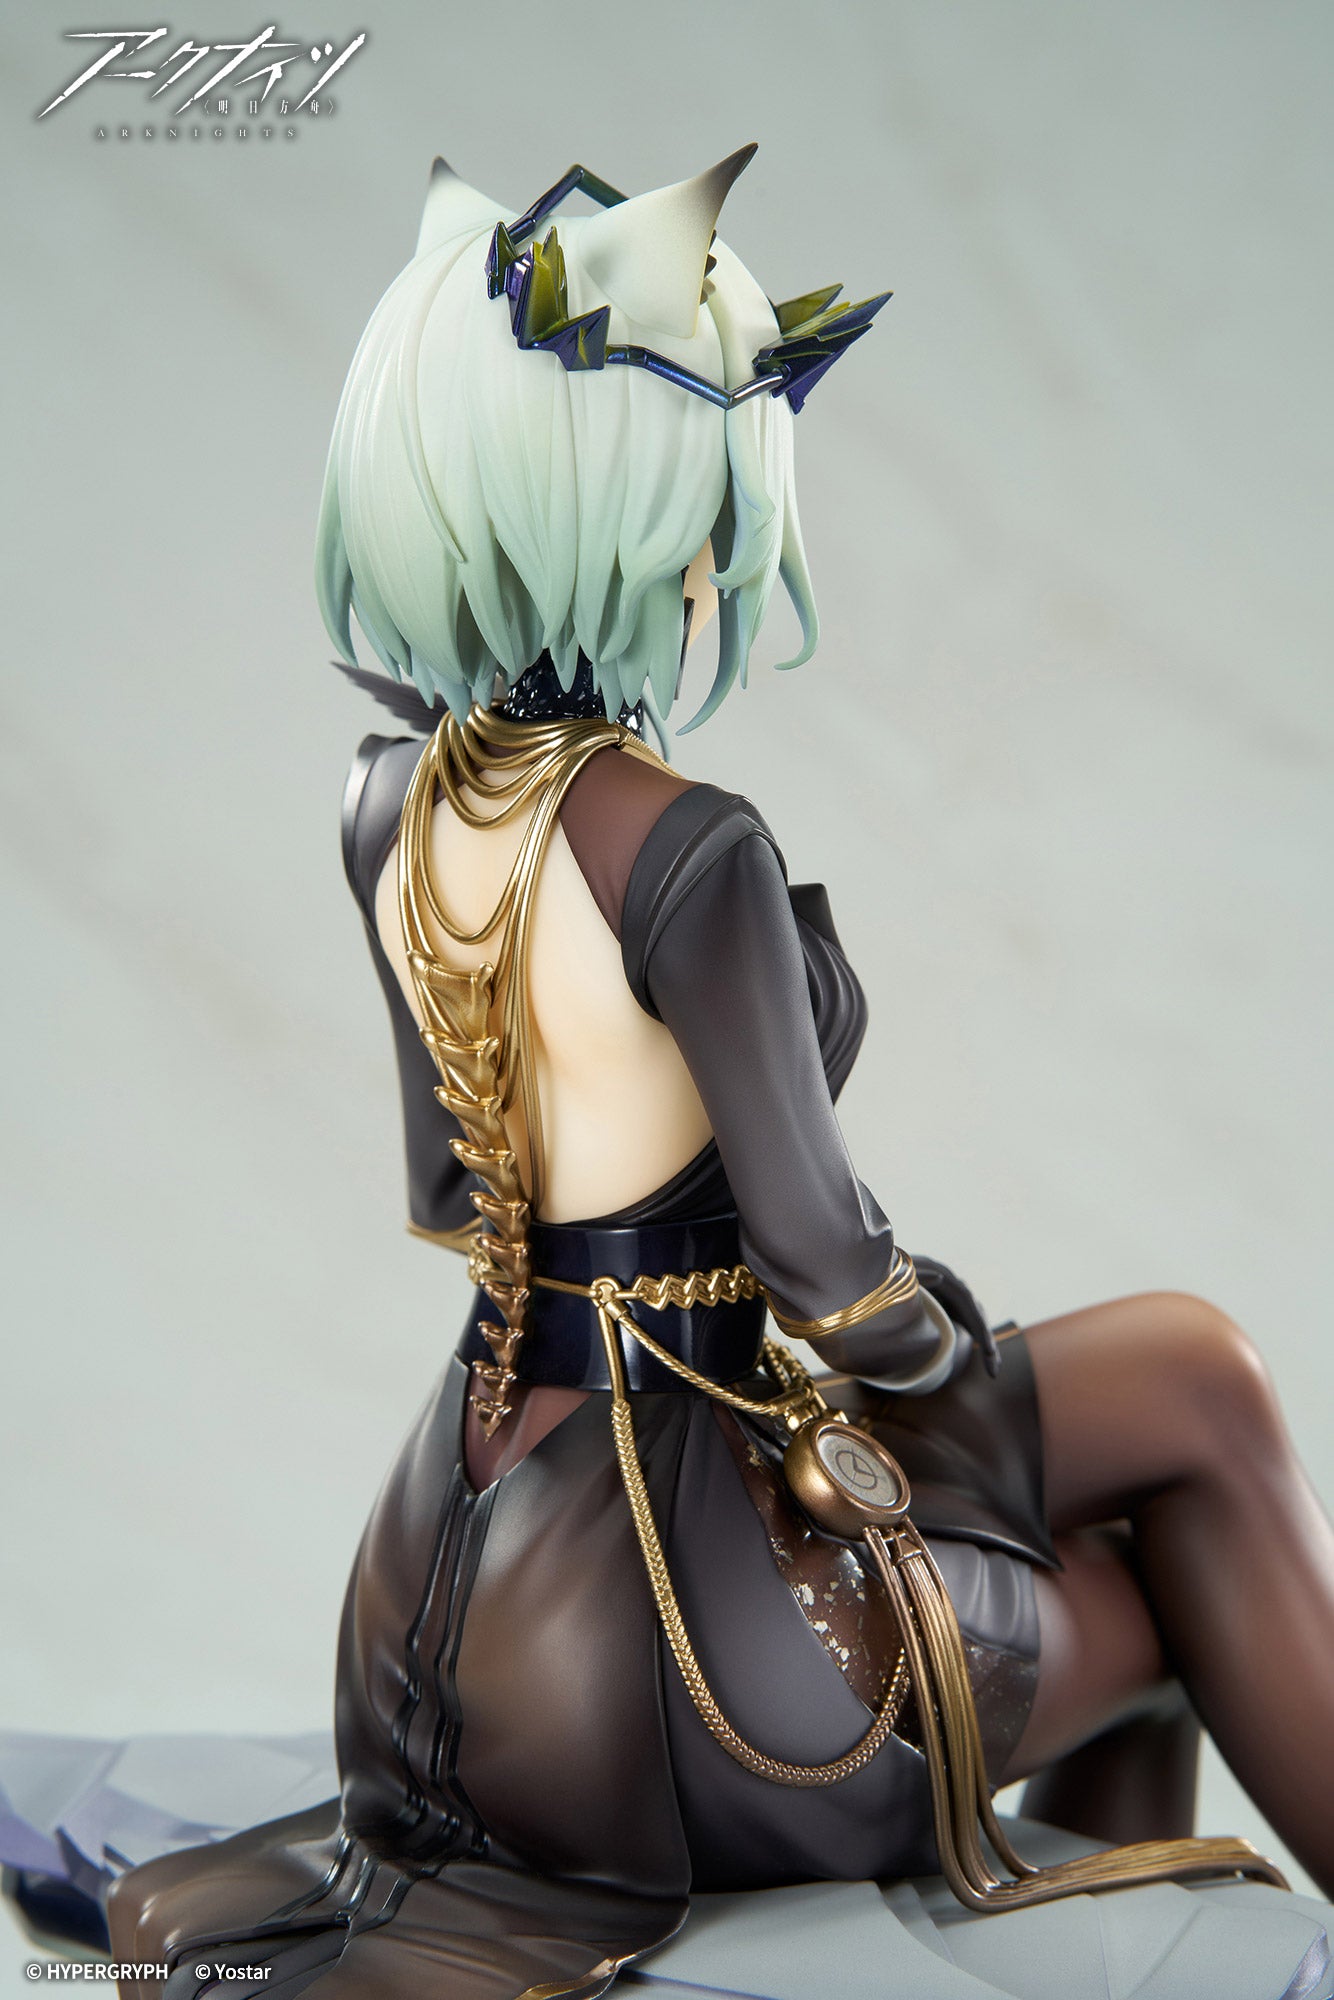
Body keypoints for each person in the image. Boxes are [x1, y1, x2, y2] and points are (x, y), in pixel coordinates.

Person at [79, 149, 1334, 1997]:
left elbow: (451, 1186)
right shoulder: (683, 845)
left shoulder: (387, 804)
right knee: (1192, 1406)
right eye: (702, 519)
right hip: (670, 1640)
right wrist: (955, 1391)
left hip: (439, 1606)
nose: (709, 570)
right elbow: (828, 1273)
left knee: (1146, 1440)